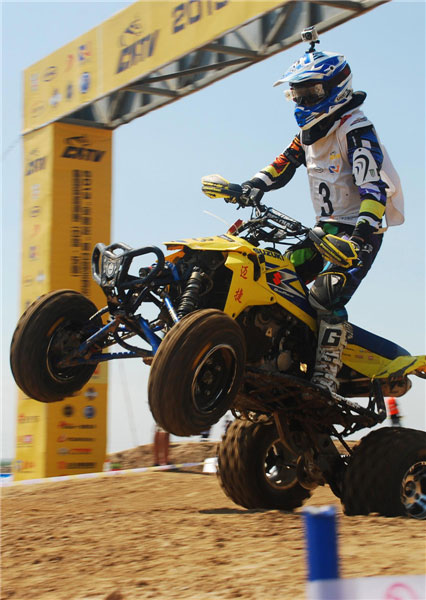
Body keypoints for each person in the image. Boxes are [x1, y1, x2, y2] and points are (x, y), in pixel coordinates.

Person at [229, 27, 404, 395]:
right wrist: (250, 185)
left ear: (336, 88)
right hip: (323, 230)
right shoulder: (309, 131)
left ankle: (325, 377)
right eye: (298, 93)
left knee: (326, 294)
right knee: (277, 278)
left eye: (311, 92)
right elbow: (283, 163)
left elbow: (373, 189)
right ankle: (272, 353)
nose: (303, 99)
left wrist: (359, 237)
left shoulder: (355, 129)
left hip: (360, 233)